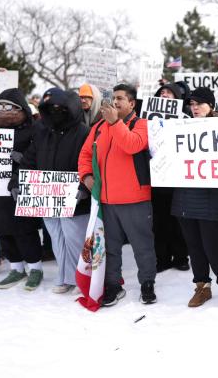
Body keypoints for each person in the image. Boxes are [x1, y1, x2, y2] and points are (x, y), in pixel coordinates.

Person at [78, 83, 157, 306]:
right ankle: (113, 284)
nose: (115, 101)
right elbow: (85, 154)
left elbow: (133, 145)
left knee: (142, 246)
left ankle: (147, 283)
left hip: (135, 199)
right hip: (106, 200)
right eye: (113, 97)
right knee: (109, 247)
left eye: (120, 98)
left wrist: (115, 123)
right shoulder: (99, 127)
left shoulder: (142, 125)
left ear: (132, 103)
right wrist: (86, 177)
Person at [171, 86, 218, 308]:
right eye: (191, 105)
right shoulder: (181, 126)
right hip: (185, 194)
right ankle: (202, 286)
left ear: (210, 105)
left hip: (210, 194)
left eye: (199, 104)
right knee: (193, 245)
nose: (194, 108)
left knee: (211, 244)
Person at [17, 88, 91, 293]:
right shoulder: (42, 132)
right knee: (57, 241)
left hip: (75, 199)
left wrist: (84, 188)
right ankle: (66, 277)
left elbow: (90, 164)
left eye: (60, 108)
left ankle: (82, 278)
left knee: (75, 240)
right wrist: (17, 182)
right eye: (51, 108)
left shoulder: (83, 132)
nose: (56, 111)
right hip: (47, 198)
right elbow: (29, 160)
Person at [0, 89, 41, 290]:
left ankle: (35, 268)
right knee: (1, 231)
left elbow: (42, 155)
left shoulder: (33, 130)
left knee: (25, 232)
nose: (4, 111)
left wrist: (23, 158)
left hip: (18, 189)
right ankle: (16, 268)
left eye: (9, 106)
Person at [150, 83, 189, 273]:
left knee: (179, 220)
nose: (164, 95)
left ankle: (181, 257)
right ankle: (162, 258)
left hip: (179, 176)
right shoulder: (149, 120)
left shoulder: (186, 117)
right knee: (160, 220)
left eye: (169, 92)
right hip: (157, 176)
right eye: (161, 92)